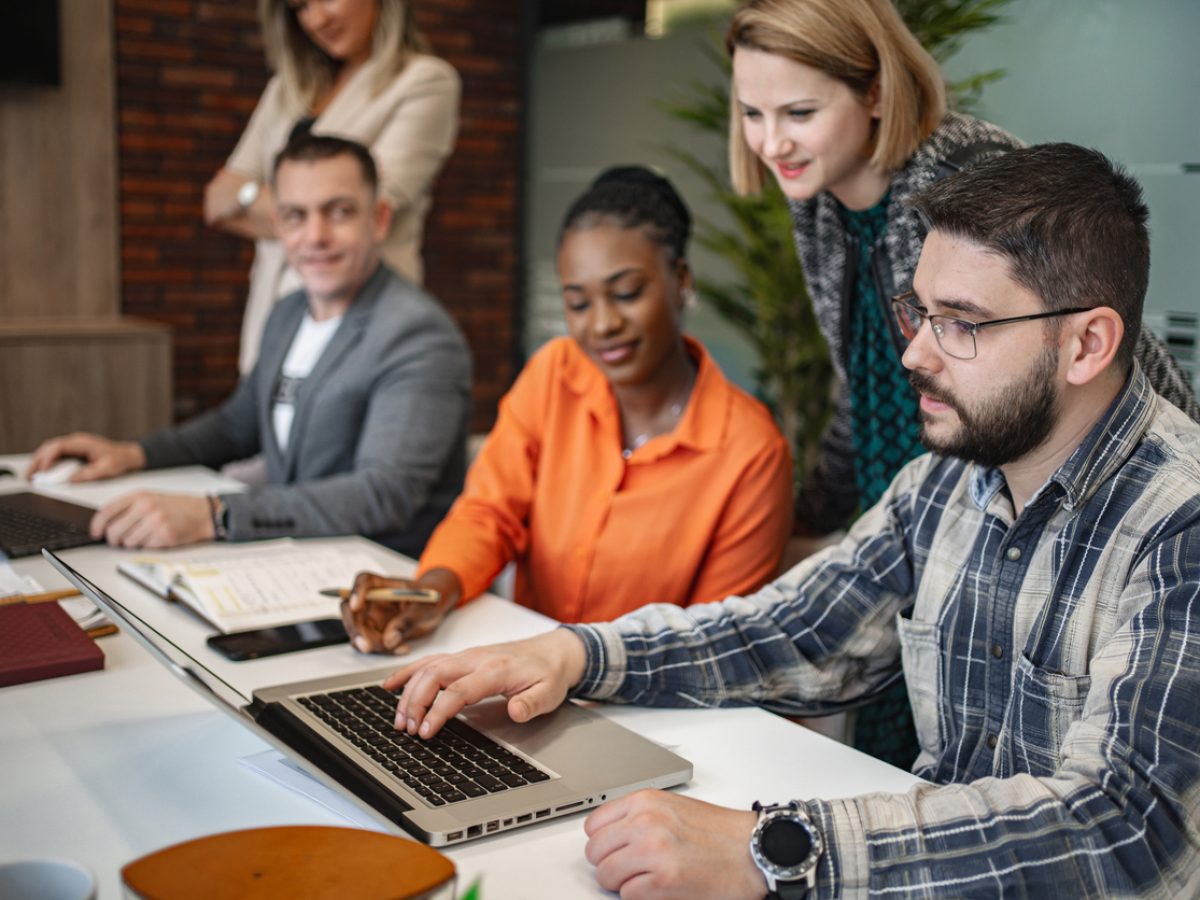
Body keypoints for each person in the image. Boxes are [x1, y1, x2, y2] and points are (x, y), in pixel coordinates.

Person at [380, 146, 1200, 897]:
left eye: (962, 323)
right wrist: (573, 652)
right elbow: (796, 632)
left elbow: (1119, 827)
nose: (913, 353)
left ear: (1087, 344)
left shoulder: (1180, 522)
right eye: (918, 313)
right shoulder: (943, 485)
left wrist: (775, 850)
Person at [725, 0, 1200, 767]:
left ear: (875, 92)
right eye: (751, 111)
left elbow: (1082, 373)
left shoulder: (960, 187)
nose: (771, 140)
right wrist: (805, 517)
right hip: (926, 499)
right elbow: (866, 385)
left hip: (1062, 509)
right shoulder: (818, 202)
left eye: (800, 111)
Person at [341, 167, 793, 654]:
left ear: (681, 280)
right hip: (525, 684)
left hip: (655, 711)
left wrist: (573, 668)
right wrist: (428, 591)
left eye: (626, 294)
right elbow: (489, 514)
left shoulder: (750, 451)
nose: (602, 325)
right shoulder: (555, 372)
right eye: (578, 303)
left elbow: (711, 645)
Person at [27, 135, 470, 557]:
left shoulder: (418, 333)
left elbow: (383, 494)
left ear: (379, 220)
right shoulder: (288, 313)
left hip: (381, 580)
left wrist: (215, 514)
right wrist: (132, 454)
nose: (315, 236)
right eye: (296, 215)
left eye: (339, 212)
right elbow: (237, 426)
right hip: (293, 556)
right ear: (278, 225)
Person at [205, 0, 459, 372]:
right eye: (300, 6)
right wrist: (244, 193)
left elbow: (363, 214)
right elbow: (216, 201)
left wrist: (250, 200)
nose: (316, 19)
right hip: (269, 318)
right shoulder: (287, 90)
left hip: (359, 321)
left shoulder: (424, 81)